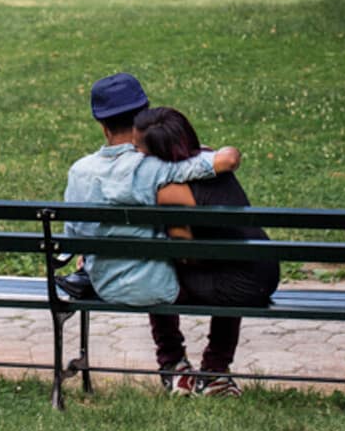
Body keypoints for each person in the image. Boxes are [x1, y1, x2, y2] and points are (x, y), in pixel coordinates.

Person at [61, 73, 241, 395]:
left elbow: (73, 237)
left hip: (106, 284)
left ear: (101, 125)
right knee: (225, 268)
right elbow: (222, 162)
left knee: (154, 262)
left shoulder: (79, 172)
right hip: (158, 285)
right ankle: (214, 370)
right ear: (145, 116)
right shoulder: (155, 166)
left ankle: (173, 365)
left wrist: (84, 257)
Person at [135, 106, 279, 398]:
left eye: (139, 149)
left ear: (158, 155)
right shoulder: (206, 159)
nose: (136, 155)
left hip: (238, 282)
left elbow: (186, 253)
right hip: (263, 269)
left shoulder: (171, 192)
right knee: (225, 261)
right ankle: (214, 371)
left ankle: (174, 365)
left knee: (156, 274)